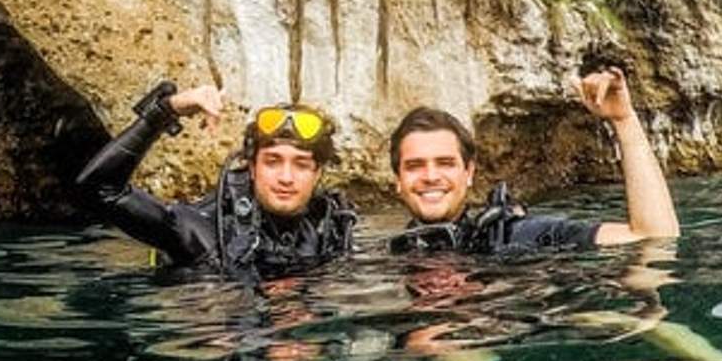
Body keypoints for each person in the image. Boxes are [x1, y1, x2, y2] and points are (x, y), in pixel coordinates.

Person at [74, 79, 358, 279]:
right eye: (272, 161)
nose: (286, 178)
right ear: (251, 166)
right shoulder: (201, 230)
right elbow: (98, 189)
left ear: (317, 172)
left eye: (301, 165)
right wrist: (164, 111)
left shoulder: (329, 229)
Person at [388, 63, 679, 254]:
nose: (430, 176)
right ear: (397, 180)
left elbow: (654, 238)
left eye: (445, 163)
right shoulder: (370, 255)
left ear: (469, 173)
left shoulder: (518, 236)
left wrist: (624, 119)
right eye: (415, 166)